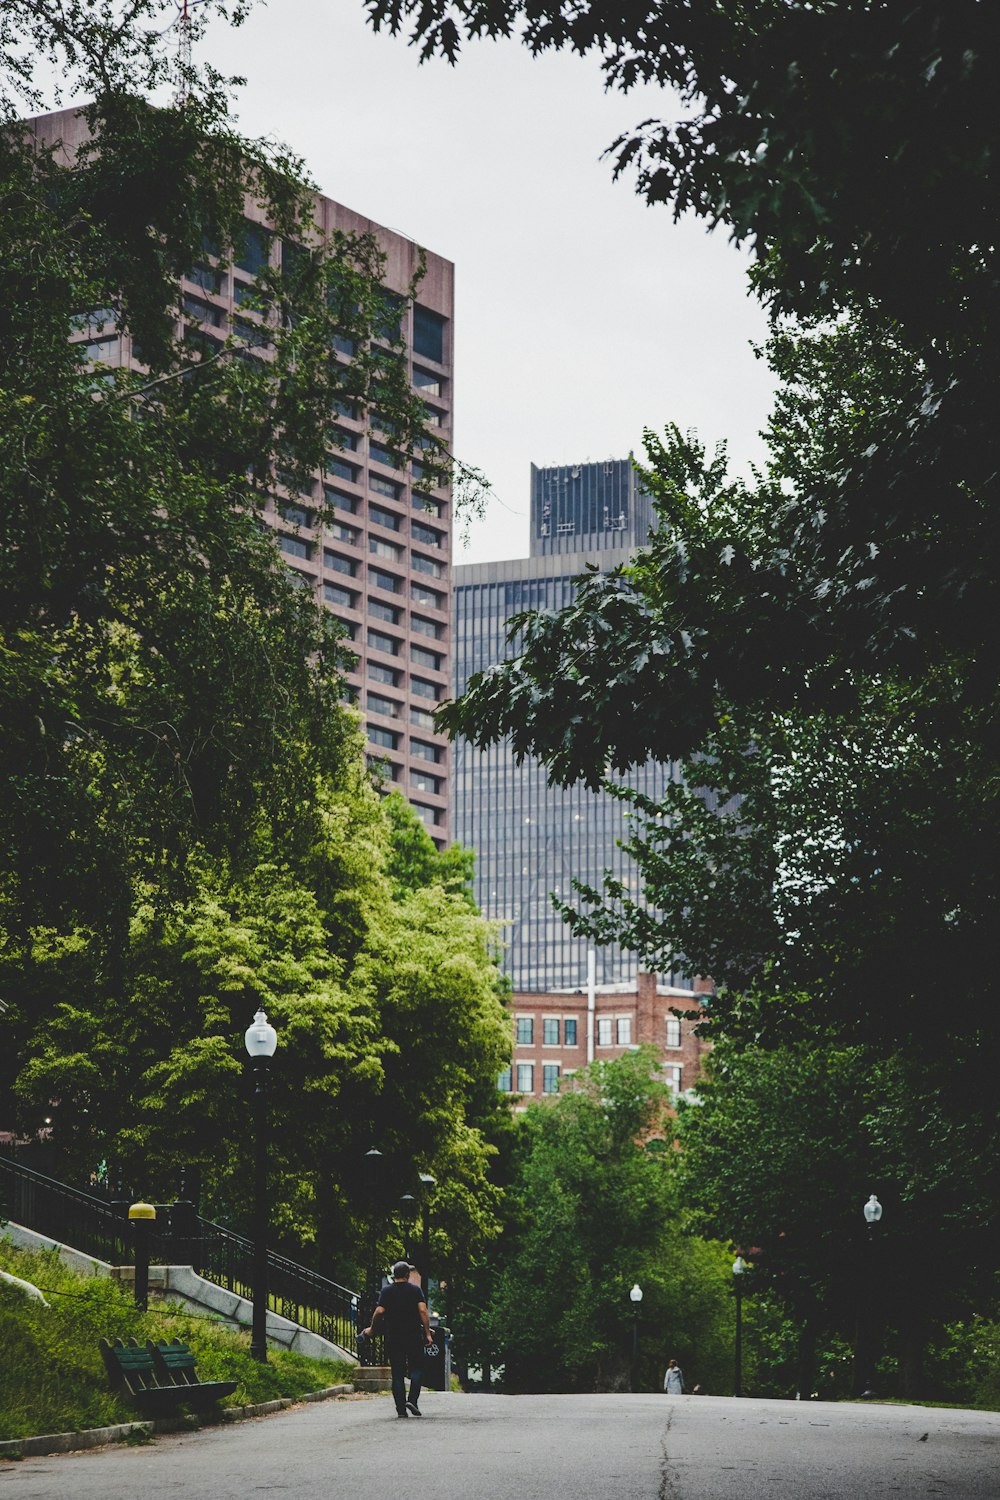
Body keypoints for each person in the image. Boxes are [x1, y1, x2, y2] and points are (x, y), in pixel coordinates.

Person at [363, 1260, 435, 1418]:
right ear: (407, 1275)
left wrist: (372, 1329)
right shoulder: (415, 1290)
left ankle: (401, 1410)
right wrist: (428, 1332)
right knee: (417, 1368)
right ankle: (413, 1401)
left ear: (394, 1275)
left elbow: (379, 1311)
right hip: (413, 1335)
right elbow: (422, 1310)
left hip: (393, 1336)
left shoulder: (386, 1291)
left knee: (397, 1373)